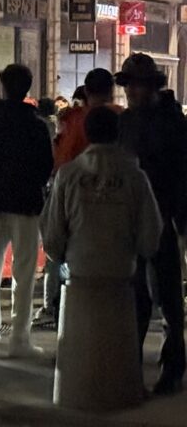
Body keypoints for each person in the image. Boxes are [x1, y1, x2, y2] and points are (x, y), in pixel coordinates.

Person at [43, 107, 162, 408]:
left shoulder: (69, 175)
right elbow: (151, 232)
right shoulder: (135, 176)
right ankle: (123, 389)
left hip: (79, 271)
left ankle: (74, 388)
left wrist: (61, 256)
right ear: (118, 135)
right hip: (121, 272)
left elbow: (53, 233)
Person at [116, 53, 187, 395]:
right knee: (138, 295)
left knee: (168, 297)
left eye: (135, 86)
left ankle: (172, 365)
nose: (130, 92)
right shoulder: (128, 121)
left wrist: (180, 217)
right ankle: (133, 366)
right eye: (128, 86)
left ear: (150, 87)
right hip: (136, 218)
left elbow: (182, 174)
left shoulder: (171, 123)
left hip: (163, 216)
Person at [0, 64, 53, 358]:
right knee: (25, 272)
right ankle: (19, 338)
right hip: (26, 204)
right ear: (28, 88)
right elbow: (46, 166)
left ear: (2, 86)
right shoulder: (37, 125)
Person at [34, 68, 121, 326]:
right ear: (112, 91)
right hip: (114, 227)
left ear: (86, 90)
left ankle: (61, 317)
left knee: (72, 287)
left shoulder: (73, 121)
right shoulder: (123, 119)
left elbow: (60, 163)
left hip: (78, 217)